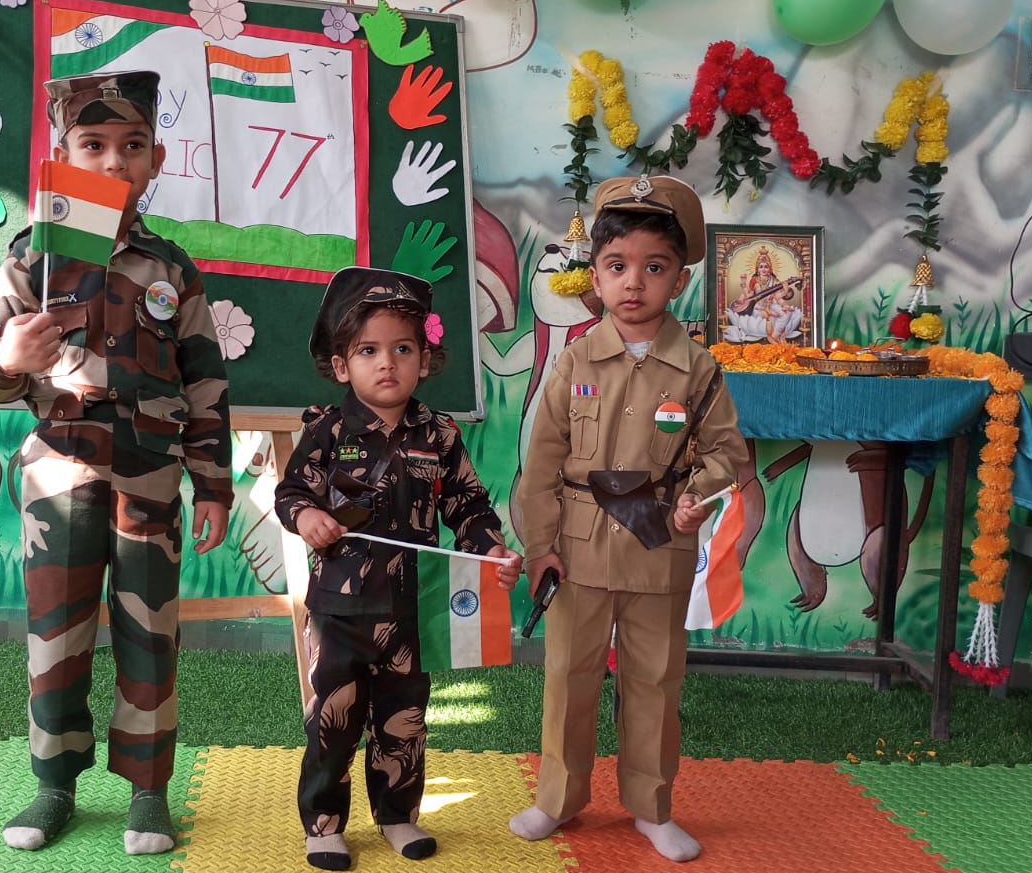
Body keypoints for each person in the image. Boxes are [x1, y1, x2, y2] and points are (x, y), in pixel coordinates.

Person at [0, 70, 234, 857]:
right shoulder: (32, 255)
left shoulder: (171, 268)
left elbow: (206, 377)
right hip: (58, 468)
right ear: (62, 154)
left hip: (149, 469)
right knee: (58, 627)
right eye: (94, 145)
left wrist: (212, 481)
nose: (114, 161)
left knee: (151, 631)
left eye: (132, 146)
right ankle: (55, 782)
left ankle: (150, 792)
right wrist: (10, 354)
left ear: (156, 158)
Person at [509, 175, 749, 863]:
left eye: (654, 267)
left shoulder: (698, 368)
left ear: (678, 278)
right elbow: (541, 466)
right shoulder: (575, 359)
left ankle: (651, 806)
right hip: (579, 549)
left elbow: (728, 451)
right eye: (617, 266)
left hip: (657, 542)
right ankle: (556, 798)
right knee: (568, 676)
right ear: (597, 274)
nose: (633, 282)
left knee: (654, 680)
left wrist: (695, 493)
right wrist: (540, 550)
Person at [274, 267, 524, 871]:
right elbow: (290, 494)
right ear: (342, 366)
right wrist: (306, 517)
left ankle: (398, 816)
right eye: (368, 351)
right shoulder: (326, 429)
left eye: (402, 349)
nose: (387, 363)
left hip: (415, 610)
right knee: (333, 722)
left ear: (424, 359)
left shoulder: (438, 434)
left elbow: (468, 504)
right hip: (339, 611)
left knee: (404, 721)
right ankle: (325, 824)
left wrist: (491, 549)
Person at [723, 246, 803, 343]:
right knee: (762, 315)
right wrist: (743, 283)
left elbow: (777, 298)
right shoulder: (754, 280)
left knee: (786, 313)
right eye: (761, 267)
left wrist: (784, 295)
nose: (764, 269)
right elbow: (749, 296)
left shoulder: (775, 281)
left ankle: (774, 335)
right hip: (757, 306)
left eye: (766, 266)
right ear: (757, 269)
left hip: (771, 304)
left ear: (770, 269)